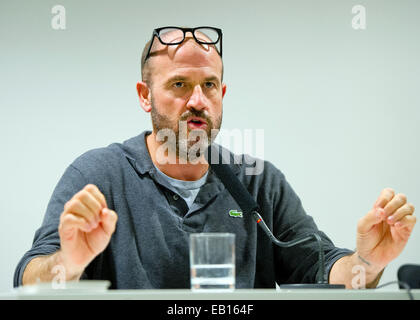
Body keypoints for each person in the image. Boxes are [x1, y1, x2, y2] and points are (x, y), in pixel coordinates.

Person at [14, 26, 416, 289]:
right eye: (179, 84)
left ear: (222, 94)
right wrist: (68, 260)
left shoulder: (258, 181)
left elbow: (320, 270)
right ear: (144, 96)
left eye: (209, 84)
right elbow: (29, 278)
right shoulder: (99, 175)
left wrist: (367, 259)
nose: (197, 101)